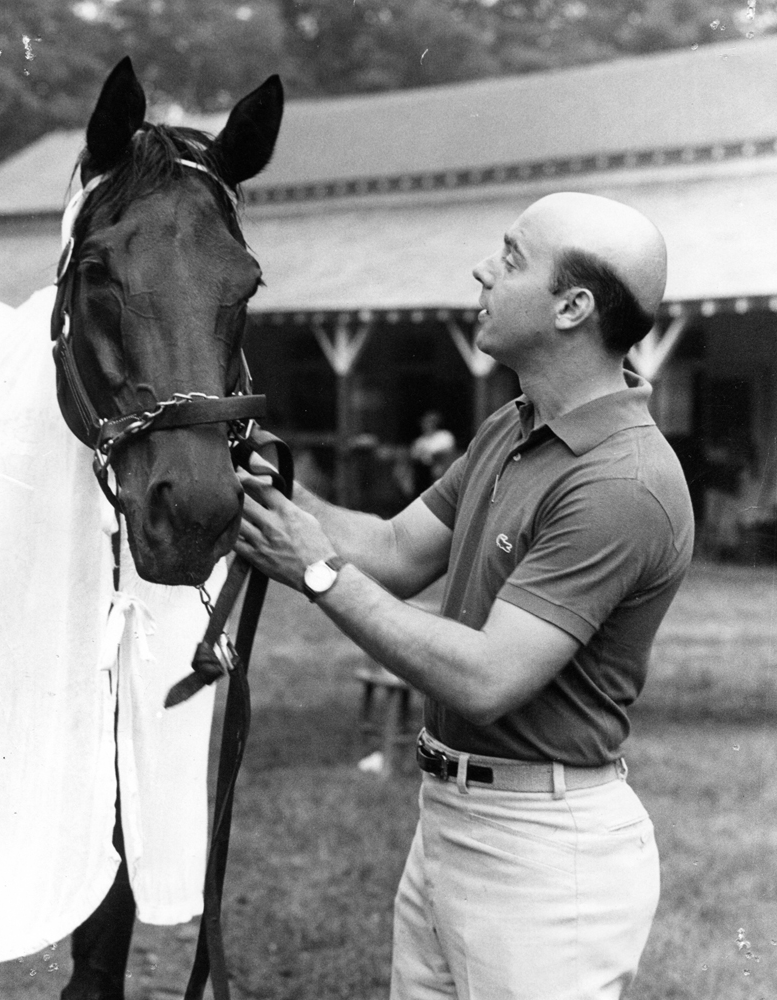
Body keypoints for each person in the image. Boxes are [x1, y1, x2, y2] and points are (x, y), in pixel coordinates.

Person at [234, 191, 694, 1000]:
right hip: (449, 821)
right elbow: (394, 550)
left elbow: (487, 677)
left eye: (511, 257)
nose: (483, 269)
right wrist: (276, 491)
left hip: (544, 857)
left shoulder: (622, 480)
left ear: (572, 307)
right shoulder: (511, 427)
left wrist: (315, 573)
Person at [410, 410, 457, 494]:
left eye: (430, 422)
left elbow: (448, 452)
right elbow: (414, 456)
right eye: (425, 422)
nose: (427, 425)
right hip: (425, 472)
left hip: (444, 468)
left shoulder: (444, 435)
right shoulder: (419, 441)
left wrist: (431, 454)